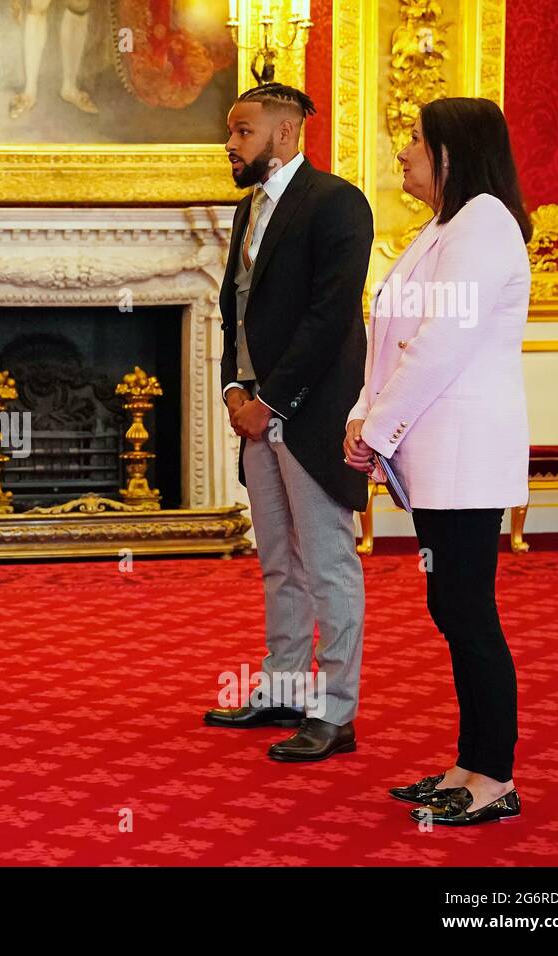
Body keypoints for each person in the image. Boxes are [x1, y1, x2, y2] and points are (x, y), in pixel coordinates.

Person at [345, 98, 531, 826]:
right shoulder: (446, 227)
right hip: (434, 449)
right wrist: (364, 416)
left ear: (451, 152)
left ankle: (496, 778)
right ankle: (469, 762)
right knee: (450, 604)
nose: (403, 152)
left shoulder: (482, 223)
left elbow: (443, 344)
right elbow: (392, 339)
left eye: (416, 141)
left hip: (461, 450)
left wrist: (376, 429)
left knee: (469, 610)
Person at [202, 83, 373, 762]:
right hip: (256, 413)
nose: (231, 144)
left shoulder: (337, 203)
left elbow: (330, 318)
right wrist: (231, 389)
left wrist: (270, 401)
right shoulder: (248, 211)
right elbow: (235, 314)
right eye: (230, 131)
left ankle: (335, 712)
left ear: (284, 133)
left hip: (310, 412)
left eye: (242, 131)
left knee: (328, 563)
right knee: (278, 561)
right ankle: (281, 690)